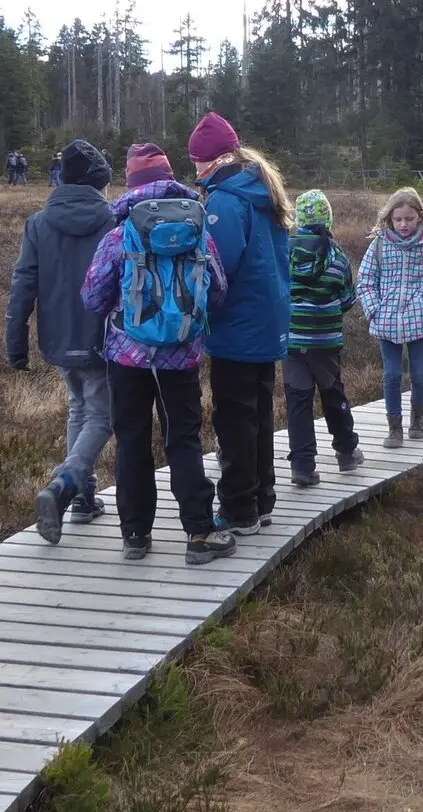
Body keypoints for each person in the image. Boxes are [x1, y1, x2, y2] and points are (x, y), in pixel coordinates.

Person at [80, 144, 235, 564]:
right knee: (182, 440)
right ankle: (200, 533)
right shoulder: (197, 228)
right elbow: (217, 291)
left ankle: (135, 535)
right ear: (170, 178)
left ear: (131, 184)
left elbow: (93, 297)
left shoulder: (120, 233)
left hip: (126, 358)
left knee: (132, 441)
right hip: (180, 357)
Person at [186, 112, 294, 537]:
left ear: (220, 158)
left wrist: (196, 313)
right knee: (258, 413)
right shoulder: (262, 191)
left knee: (234, 419)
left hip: (237, 327)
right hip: (267, 323)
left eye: (199, 160)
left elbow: (217, 268)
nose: (195, 169)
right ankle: (261, 498)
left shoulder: (226, 202)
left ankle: (237, 508)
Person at [6, 139, 115, 543]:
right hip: (102, 336)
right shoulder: (113, 220)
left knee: (78, 408)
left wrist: (15, 345)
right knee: (102, 416)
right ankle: (64, 483)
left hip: (58, 337)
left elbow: (22, 287)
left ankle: (84, 500)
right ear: (99, 183)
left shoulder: (38, 223)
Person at [357, 189, 423, 448]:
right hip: (386, 321)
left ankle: (417, 420)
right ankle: (394, 428)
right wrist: (374, 310)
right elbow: (365, 281)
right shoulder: (379, 244)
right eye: (398, 219)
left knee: (420, 375)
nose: (403, 224)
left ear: (419, 217)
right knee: (391, 375)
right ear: (389, 218)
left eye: (409, 219)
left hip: (420, 318)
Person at [284, 189, 363, 486]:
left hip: (291, 340)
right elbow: (347, 299)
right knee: (333, 394)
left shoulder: (283, 250)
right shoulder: (337, 255)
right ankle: (346, 452)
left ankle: (302, 465)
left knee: (298, 400)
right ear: (327, 218)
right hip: (326, 341)